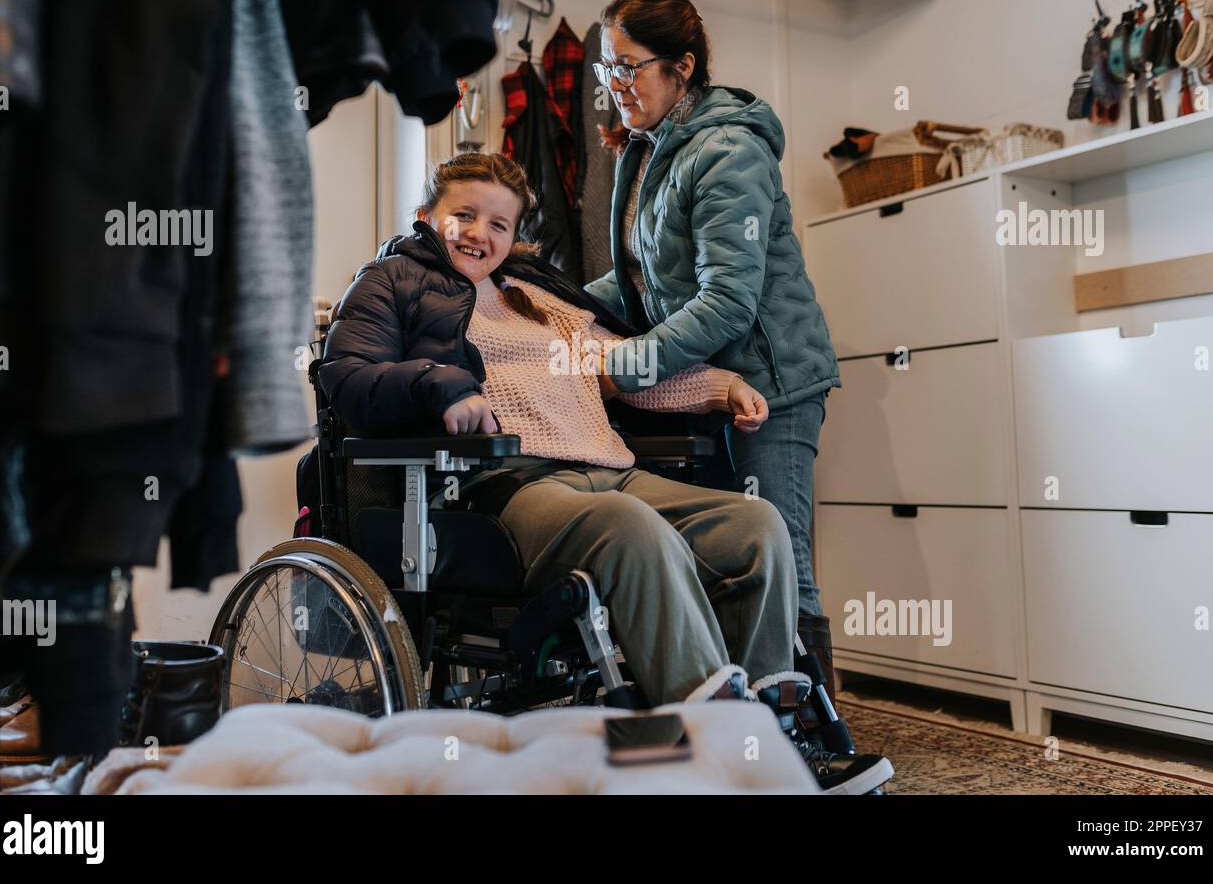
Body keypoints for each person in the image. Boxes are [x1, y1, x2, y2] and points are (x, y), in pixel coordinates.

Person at [319, 153, 891, 791]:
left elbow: (624, 368)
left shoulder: (540, 298)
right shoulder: (389, 282)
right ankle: (717, 749)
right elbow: (349, 379)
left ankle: (779, 735)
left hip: (608, 470)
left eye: (499, 225)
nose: (481, 233)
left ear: (514, 238)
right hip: (498, 488)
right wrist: (445, 385)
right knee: (627, 526)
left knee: (755, 525)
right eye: (464, 215)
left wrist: (718, 386)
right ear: (427, 217)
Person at [584, 0, 842, 701]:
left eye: (629, 66)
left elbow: (728, 299)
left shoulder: (728, 151)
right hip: (706, 384)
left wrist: (626, 365)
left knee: (782, 562)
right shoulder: (650, 151)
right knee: (731, 559)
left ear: (683, 67)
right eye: (609, 68)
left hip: (773, 382)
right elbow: (640, 283)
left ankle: (810, 743)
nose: (616, 84)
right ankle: (746, 728)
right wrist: (549, 303)